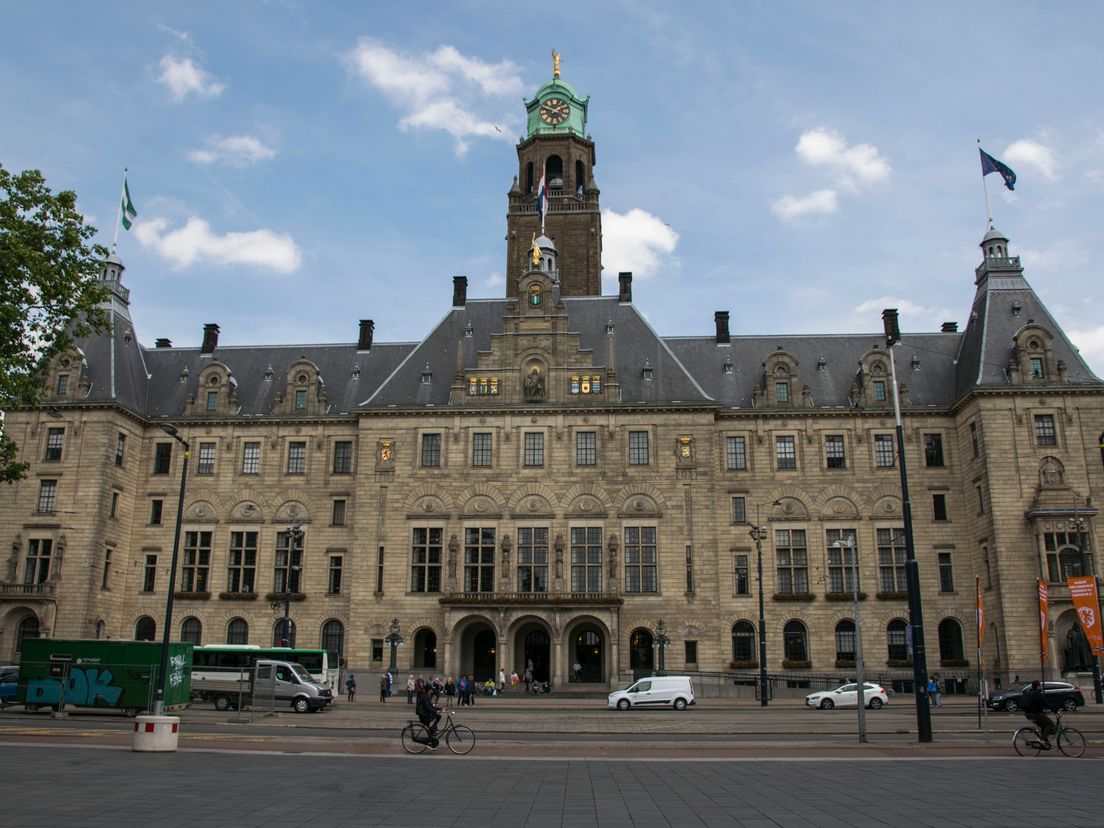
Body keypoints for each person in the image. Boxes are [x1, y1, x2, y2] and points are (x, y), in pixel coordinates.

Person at [1023, 680, 1056, 748]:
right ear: (1038, 686)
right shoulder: (1037, 694)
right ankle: (1040, 739)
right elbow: (1046, 703)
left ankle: (1046, 744)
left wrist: (1043, 709)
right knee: (1050, 724)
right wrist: (1055, 710)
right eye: (1040, 685)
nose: (1042, 687)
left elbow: (1036, 704)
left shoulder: (1030, 692)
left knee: (1043, 726)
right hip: (1035, 714)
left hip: (1028, 714)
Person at [415, 683, 441, 750]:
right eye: (432, 689)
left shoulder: (428, 696)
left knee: (438, 716)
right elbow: (428, 707)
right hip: (423, 716)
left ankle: (433, 732)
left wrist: (440, 709)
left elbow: (431, 706)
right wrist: (435, 711)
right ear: (429, 690)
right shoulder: (424, 696)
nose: (433, 690)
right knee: (432, 725)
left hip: (426, 714)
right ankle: (429, 743)